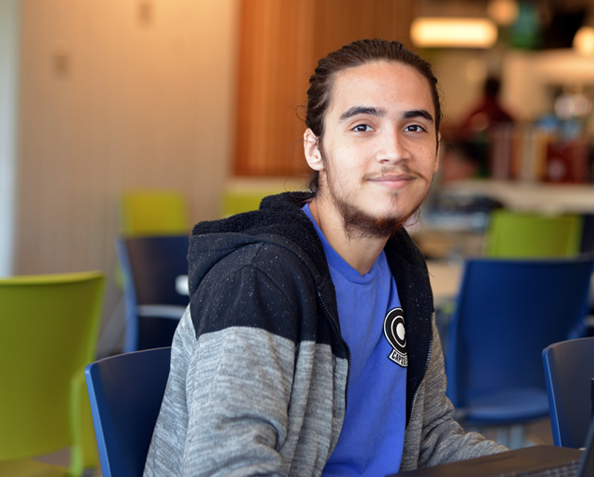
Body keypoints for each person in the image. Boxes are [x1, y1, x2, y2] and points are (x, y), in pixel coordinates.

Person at [143, 39, 507, 476]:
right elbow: (230, 466)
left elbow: (429, 438)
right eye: (362, 127)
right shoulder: (260, 278)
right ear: (315, 150)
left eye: (414, 128)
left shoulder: (403, 270)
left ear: (436, 151)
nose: (394, 151)